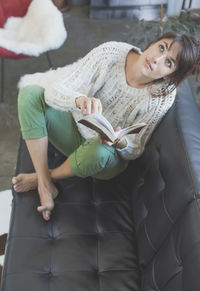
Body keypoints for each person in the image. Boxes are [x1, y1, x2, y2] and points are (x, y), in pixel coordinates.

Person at [12, 32, 200, 221]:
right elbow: (55, 90)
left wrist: (120, 142)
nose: (157, 59)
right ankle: (45, 184)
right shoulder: (110, 53)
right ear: (153, 43)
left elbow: (137, 147)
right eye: (161, 47)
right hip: (73, 129)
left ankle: (46, 177)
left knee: (99, 151)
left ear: (169, 76)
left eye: (168, 63)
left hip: (102, 157)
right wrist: (78, 100)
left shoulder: (162, 97)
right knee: (30, 94)